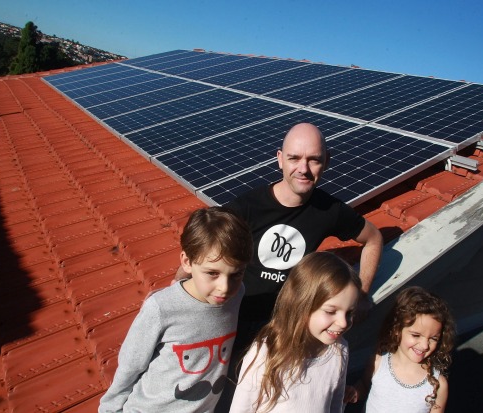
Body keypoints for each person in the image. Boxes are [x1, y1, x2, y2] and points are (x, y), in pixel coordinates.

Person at [223, 122, 383, 349]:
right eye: (294, 158)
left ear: (327, 160)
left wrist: (362, 296)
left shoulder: (330, 210)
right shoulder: (246, 208)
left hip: (288, 328)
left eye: (314, 160)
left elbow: (373, 238)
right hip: (236, 322)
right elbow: (205, 251)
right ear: (279, 159)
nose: (303, 169)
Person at [98, 207, 253, 413]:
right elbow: (130, 366)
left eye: (236, 274)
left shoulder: (237, 294)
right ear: (187, 262)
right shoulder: (161, 308)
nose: (224, 287)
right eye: (212, 273)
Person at [230, 251, 361, 413]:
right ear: (302, 304)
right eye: (331, 311)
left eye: (349, 313)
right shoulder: (268, 350)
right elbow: (241, 408)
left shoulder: (339, 351)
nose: (343, 323)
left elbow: (335, 405)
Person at [344, 286, 456, 412]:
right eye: (416, 335)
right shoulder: (377, 363)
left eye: (433, 338)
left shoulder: (437, 385)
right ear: (397, 329)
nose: (425, 345)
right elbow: (365, 385)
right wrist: (354, 392)